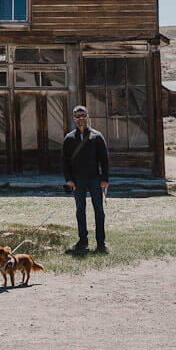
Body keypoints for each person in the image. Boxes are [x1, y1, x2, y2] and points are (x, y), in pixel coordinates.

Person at [62, 105, 109, 253]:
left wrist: (105, 179)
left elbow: (104, 160)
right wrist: (68, 179)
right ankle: (83, 241)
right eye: (78, 116)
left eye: (83, 116)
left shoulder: (97, 136)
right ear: (74, 119)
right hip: (77, 180)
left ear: (88, 117)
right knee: (80, 210)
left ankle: (101, 243)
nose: (81, 119)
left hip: (95, 178)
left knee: (99, 211)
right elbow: (65, 161)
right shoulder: (69, 138)